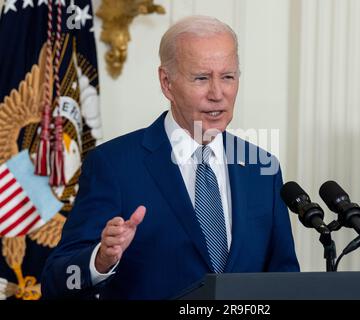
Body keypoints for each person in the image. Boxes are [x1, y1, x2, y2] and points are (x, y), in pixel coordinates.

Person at [41, 15, 299, 300]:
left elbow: (285, 279)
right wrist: (100, 260)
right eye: (201, 78)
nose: (217, 94)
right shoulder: (113, 165)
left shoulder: (261, 167)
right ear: (167, 82)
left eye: (228, 77)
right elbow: (57, 280)